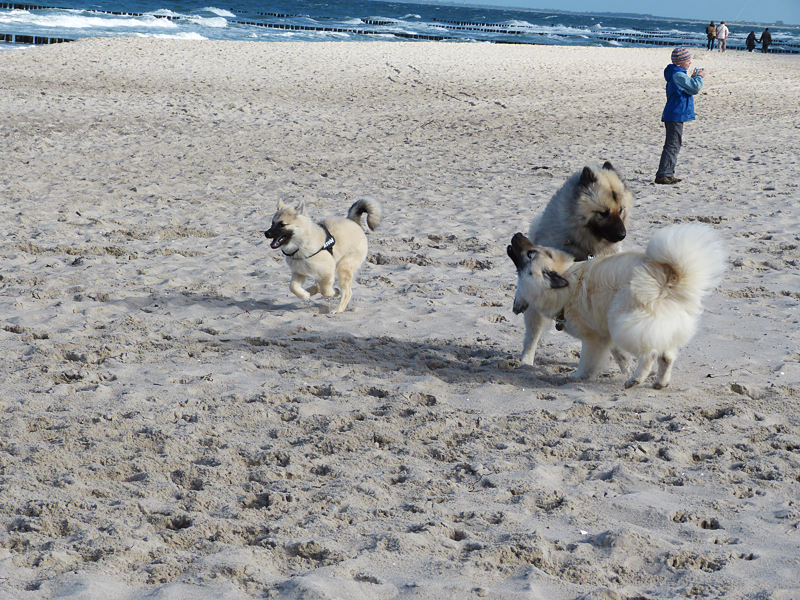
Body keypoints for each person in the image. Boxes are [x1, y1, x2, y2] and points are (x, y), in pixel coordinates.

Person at [655, 47, 705, 185]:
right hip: (675, 114)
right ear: (679, 63)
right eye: (687, 60)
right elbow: (695, 88)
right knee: (672, 144)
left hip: (675, 114)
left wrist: (693, 78)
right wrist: (700, 77)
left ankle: (667, 173)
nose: (690, 62)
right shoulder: (678, 75)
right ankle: (664, 174)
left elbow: (688, 87)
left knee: (674, 144)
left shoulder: (678, 74)